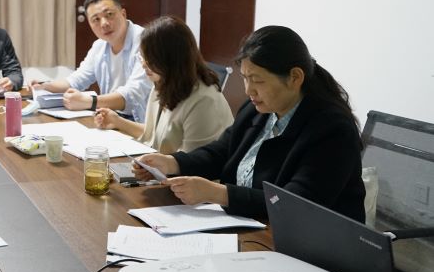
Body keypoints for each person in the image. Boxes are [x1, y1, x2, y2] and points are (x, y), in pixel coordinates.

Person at [133, 25, 366, 222]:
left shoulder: (332, 130)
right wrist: (172, 163)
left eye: (257, 80)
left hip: (312, 243)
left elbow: (295, 204)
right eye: (245, 78)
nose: (248, 90)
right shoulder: (259, 110)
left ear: (295, 77)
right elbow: (221, 152)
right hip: (249, 226)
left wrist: (218, 194)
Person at [93, 16, 233, 154]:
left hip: (189, 168)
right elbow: (156, 136)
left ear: (171, 59)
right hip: (164, 165)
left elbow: (192, 161)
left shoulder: (203, 101)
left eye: (150, 59)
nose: (143, 64)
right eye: (142, 57)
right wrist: (117, 122)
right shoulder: (163, 82)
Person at [30, 0, 151, 122]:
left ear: (123, 13)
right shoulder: (99, 46)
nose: (104, 23)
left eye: (109, 14)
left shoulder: (146, 42)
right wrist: (46, 86)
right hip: (110, 119)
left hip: (140, 124)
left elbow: (134, 94)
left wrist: (89, 102)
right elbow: (76, 80)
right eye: (96, 19)